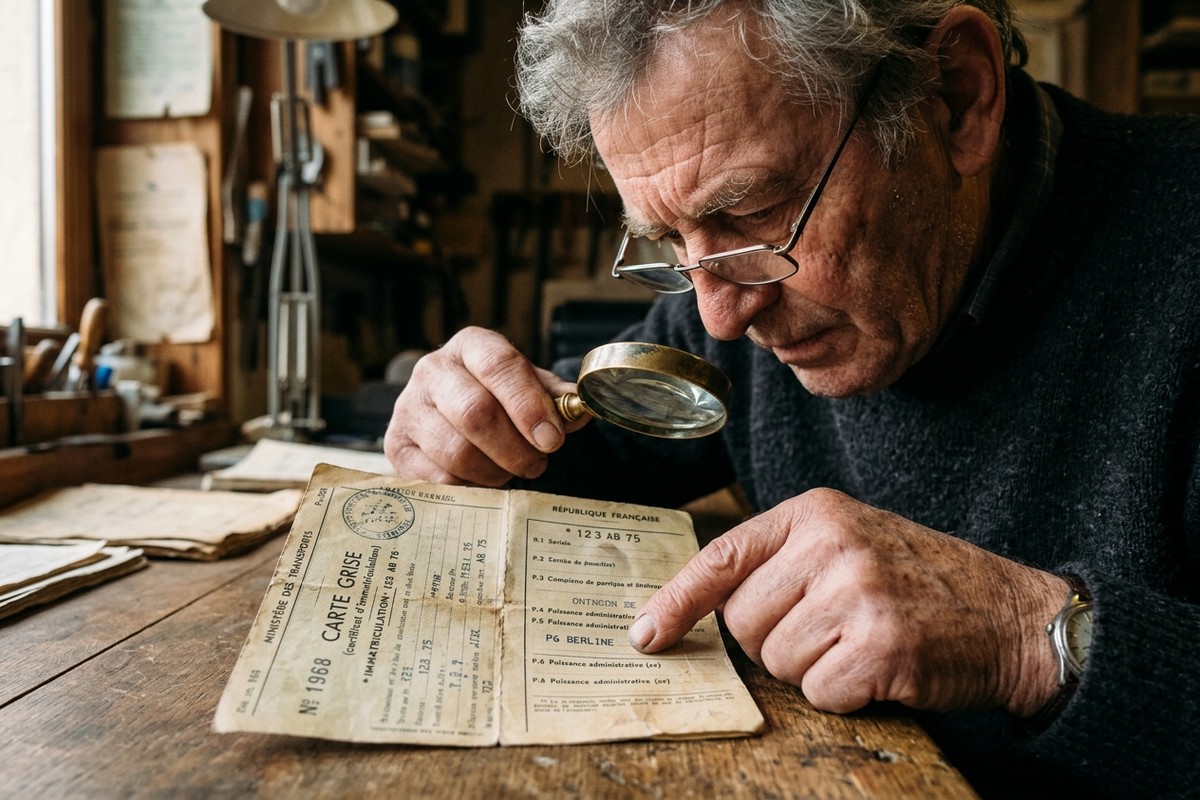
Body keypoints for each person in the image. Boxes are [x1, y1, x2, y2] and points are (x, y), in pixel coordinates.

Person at [385, 1, 1200, 795]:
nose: (720, 315)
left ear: (956, 97)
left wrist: (1028, 639)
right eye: (670, 243)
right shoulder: (737, 299)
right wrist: (476, 426)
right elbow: (605, 436)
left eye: (750, 215)